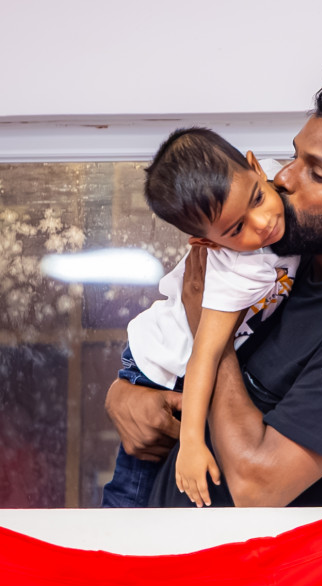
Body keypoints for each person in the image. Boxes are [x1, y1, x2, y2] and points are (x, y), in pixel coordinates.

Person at [104, 70, 322, 507]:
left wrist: (207, 321)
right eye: (295, 157)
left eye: (316, 174)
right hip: (171, 551)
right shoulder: (287, 251)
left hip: (245, 574)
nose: (284, 178)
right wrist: (128, 395)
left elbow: (256, 485)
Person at [99, 128, 298, 509]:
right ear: (207, 243)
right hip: (160, 365)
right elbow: (203, 356)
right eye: (236, 228)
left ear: (257, 167)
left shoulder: (276, 181)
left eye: (258, 198)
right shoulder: (237, 268)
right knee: (132, 493)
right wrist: (191, 443)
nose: (262, 223)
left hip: (183, 356)